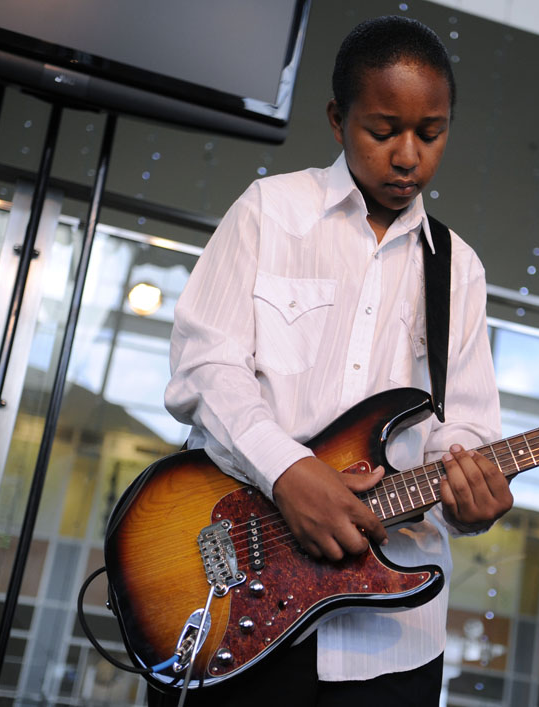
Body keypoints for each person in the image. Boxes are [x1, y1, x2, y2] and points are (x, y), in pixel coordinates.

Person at [155, 14, 512, 706]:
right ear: (336, 118)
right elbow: (206, 366)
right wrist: (289, 469)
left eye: (431, 133)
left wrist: (475, 496)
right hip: (235, 605)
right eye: (383, 130)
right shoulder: (270, 211)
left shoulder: (458, 269)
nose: (409, 155)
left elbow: (462, 430)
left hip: (393, 644)